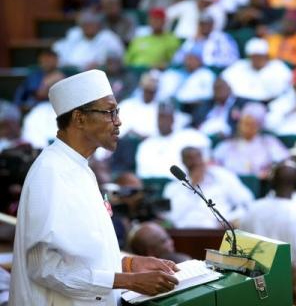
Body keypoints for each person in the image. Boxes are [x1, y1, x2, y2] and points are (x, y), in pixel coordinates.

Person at [9, 69, 179, 305]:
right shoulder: (50, 173)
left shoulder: (81, 169)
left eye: (116, 112)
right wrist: (128, 281)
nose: (118, 121)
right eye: (109, 112)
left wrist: (130, 264)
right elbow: (44, 269)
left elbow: (86, 255)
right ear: (79, 118)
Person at [163, 146, 254, 228]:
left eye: (197, 156)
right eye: (189, 158)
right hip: (181, 234)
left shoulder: (223, 177)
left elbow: (246, 204)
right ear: (183, 161)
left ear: (203, 157)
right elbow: (167, 216)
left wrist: (229, 220)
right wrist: (194, 183)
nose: (195, 161)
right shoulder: (172, 188)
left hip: (217, 232)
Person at [213, 102, 289, 178]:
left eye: (250, 124)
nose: (244, 128)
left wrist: (269, 172)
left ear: (259, 126)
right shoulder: (228, 144)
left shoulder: (268, 143)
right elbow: (213, 164)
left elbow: (284, 162)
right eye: (243, 123)